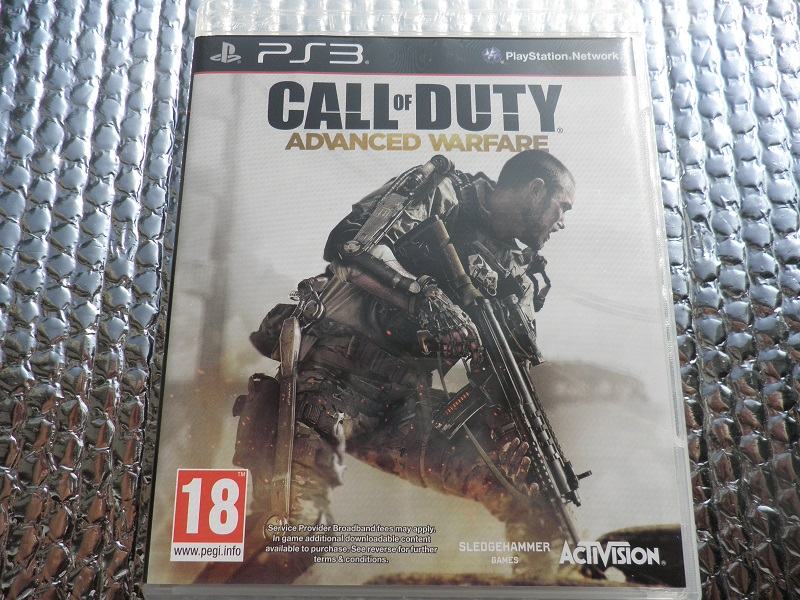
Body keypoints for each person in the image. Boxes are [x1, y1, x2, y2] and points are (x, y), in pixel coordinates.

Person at [197, 149, 576, 584]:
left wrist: (508, 433)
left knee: (535, 495)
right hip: (330, 383)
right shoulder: (444, 192)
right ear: (535, 190)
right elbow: (351, 245)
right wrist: (424, 297)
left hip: (405, 407)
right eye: (562, 207)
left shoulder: (519, 278)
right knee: (294, 533)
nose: (562, 221)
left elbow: (503, 375)